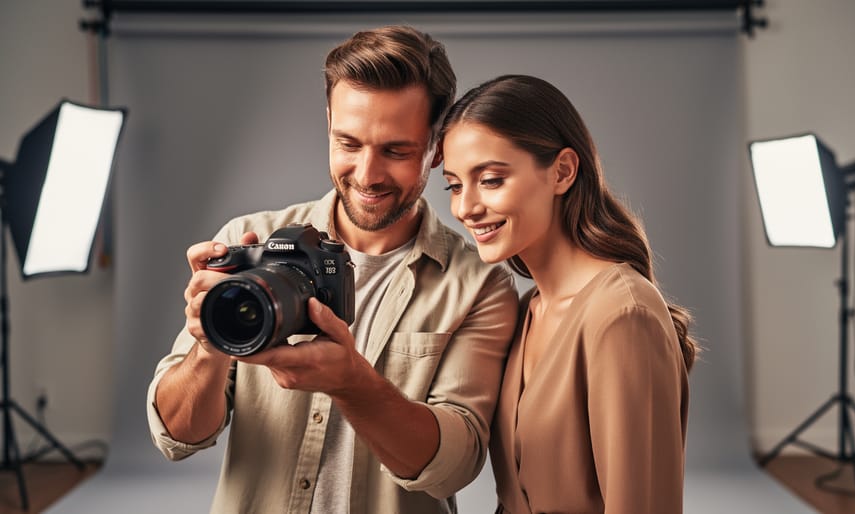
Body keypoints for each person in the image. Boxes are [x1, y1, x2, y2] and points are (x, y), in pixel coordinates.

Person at [146, 26, 518, 514]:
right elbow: (176, 437)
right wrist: (209, 346)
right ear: (328, 122)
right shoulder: (247, 239)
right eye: (349, 143)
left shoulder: (477, 285)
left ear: (436, 145)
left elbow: (456, 464)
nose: (367, 175)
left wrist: (352, 383)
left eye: (396, 151)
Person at [440, 74, 698, 514]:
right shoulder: (526, 312)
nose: (465, 207)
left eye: (491, 180)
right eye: (454, 185)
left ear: (562, 172)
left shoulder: (622, 316)